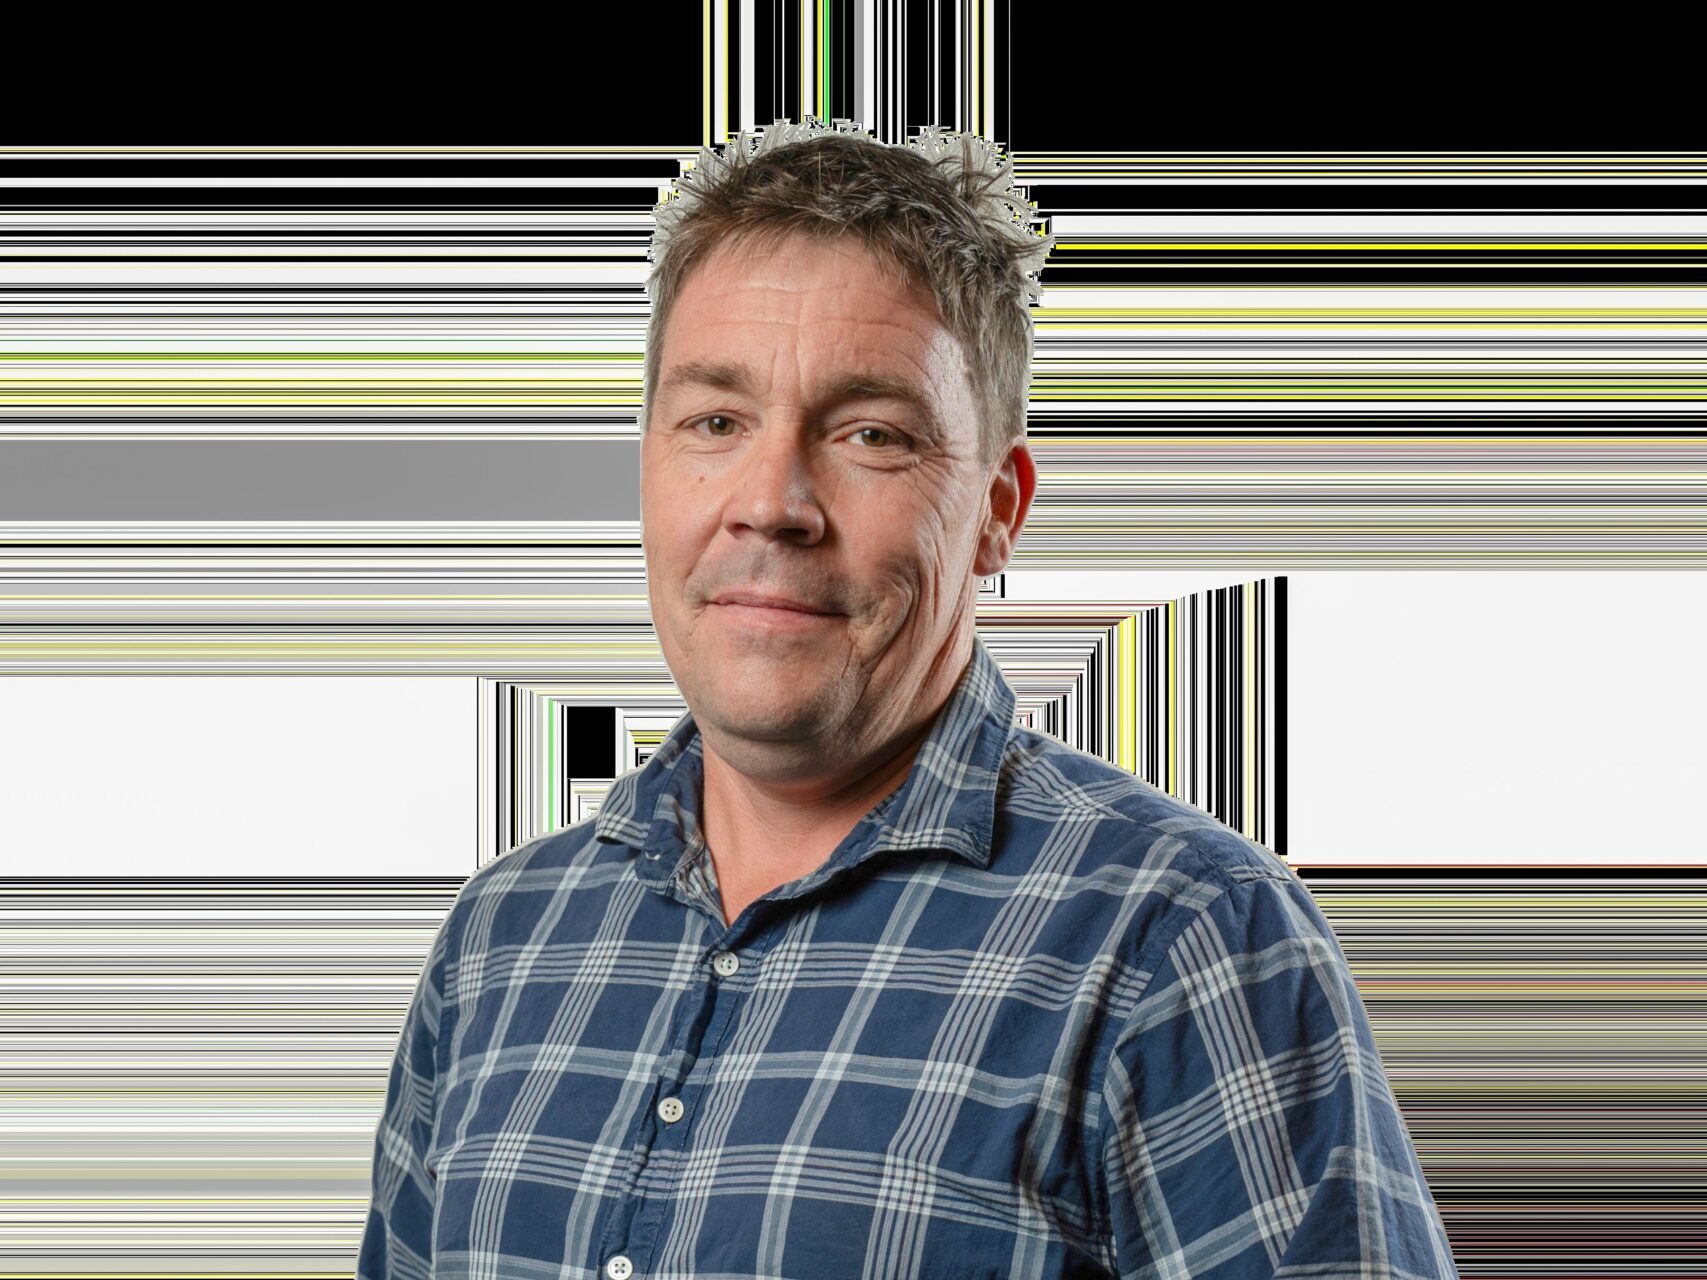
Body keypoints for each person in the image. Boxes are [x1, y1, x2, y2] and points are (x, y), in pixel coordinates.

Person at [358, 117, 1461, 1280]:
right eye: (716, 421)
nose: (771, 502)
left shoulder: (1183, 935)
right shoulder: (502, 938)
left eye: (871, 433)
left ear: (996, 510)